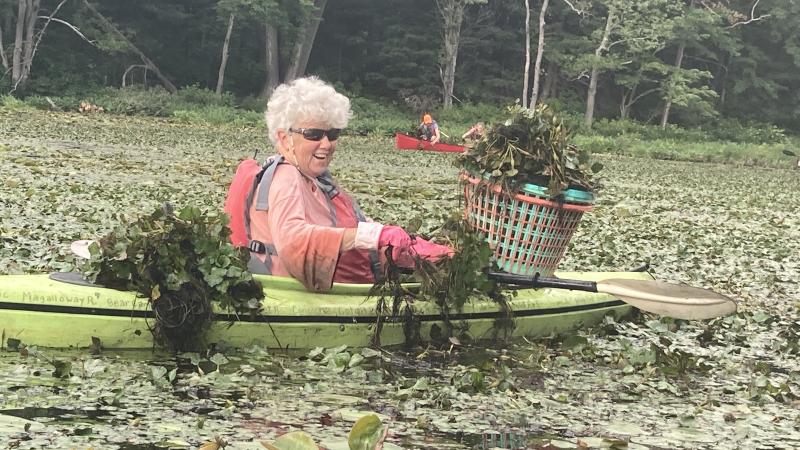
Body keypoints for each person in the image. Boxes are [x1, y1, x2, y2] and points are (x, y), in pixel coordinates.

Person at [245, 77, 452, 291]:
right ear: (285, 138)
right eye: (313, 135)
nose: (326, 144)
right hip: (295, 293)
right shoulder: (285, 177)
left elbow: (349, 224)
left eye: (332, 134)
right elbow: (293, 242)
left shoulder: (313, 178)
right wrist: (371, 236)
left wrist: (400, 240)